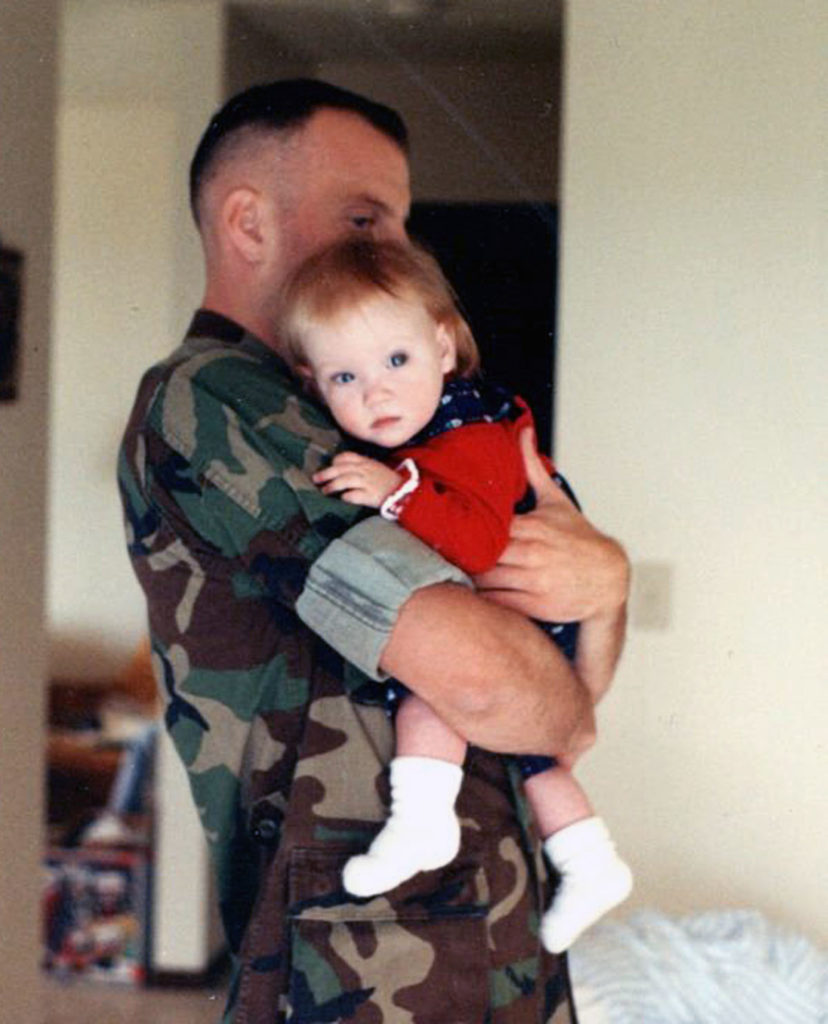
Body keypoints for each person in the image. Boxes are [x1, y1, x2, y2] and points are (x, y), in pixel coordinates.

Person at [119, 79, 629, 1023]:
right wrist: (563, 694)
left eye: (397, 220)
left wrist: (606, 584)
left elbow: (558, 693)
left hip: (472, 922)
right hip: (375, 954)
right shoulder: (226, 404)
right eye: (364, 218)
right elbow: (494, 685)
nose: (395, 250)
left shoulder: (369, 415)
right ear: (247, 221)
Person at [279, 236, 633, 953]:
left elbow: (475, 545)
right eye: (345, 377)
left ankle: (421, 822)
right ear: (314, 384)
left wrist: (395, 490)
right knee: (538, 760)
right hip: (530, 611)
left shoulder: (467, 434)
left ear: (445, 348)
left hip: (535, 604)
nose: (376, 391)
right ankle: (590, 860)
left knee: (430, 689)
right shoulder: (429, 421)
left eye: (397, 361)